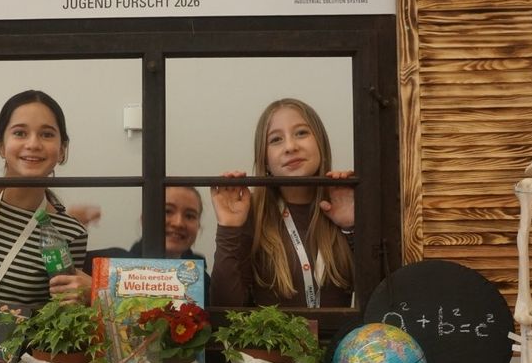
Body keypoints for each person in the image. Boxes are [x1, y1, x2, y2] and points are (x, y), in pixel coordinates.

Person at [210, 98, 355, 308]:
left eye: (301, 133)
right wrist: (229, 228)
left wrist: (352, 227)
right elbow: (224, 310)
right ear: (265, 160)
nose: (290, 147)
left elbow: (383, 298)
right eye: (276, 139)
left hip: (346, 331)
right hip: (269, 332)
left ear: (321, 143)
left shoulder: (344, 201)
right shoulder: (250, 212)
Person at [0, 90, 92, 306]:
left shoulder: (71, 232)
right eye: (20, 133)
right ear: (1, 146)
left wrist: (89, 295)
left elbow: (61, 312)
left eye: (47, 134)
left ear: (62, 150)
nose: (33, 144)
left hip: (22, 330)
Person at [76, 186, 212, 298]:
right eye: (167, 211)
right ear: (144, 218)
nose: (178, 223)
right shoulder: (102, 264)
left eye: (190, 216)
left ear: (199, 226)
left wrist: (100, 291)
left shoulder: (203, 282)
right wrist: (70, 226)